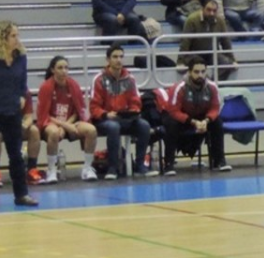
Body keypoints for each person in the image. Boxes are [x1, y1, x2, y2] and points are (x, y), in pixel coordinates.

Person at [89, 44, 155, 179]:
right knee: (113, 127)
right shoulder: (99, 79)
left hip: (125, 118)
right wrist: (106, 114)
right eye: (115, 57)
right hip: (104, 119)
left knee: (144, 125)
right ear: (108, 60)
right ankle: (112, 168)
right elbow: (94, 107)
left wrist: (133, 111)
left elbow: (136, 101)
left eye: (121, 57)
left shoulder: (130, 78)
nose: (118, 60)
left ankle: (140, 165)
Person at [161, 58, 231, 175]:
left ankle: (219, 161)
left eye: (203, 72)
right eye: (196, 72)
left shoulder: (212, 87)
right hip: (182, 119)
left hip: (201, 119)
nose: (200, 75)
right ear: (189, 72)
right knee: (171, 123)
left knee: (217, 122)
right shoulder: (179, 87)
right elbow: (173, 111)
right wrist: (192, 121)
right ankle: (169, 164)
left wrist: (206, 120)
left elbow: (215, 108)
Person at [37, 55, 99, 183]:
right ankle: (51, 170)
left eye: (66, 68)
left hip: (71, 121)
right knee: (53, 132)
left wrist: (67, 125)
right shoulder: (46, 87)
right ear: (53, 70)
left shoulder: (73, 85)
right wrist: (63, 126)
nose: (64, 71)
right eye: (60, 68)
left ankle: (87, 168)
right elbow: (44, 115)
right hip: (51, 122)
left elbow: (79, 110)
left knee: (91, 130)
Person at [0, 21, 37, 205]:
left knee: (15, 155)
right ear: (3, 38)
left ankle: (21, 194)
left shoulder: (21, 57)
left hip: (12, 111)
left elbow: (23, 82)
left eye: (18, 35)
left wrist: (22, 96)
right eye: (13, 36)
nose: (17, 39)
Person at [178, 0, 237, 81]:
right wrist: (180, 62)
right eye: (208, 10)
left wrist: (232, 60)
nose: (211, 13)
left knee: (227, 63)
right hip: (194, 54)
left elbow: (225, 41)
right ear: (202, 8)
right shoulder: (192, 20)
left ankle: (212, 85)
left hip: (212, 54)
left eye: (214, 11)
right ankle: (205, 85)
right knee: (200, 65)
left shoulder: (220, 21)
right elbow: (185, 41)